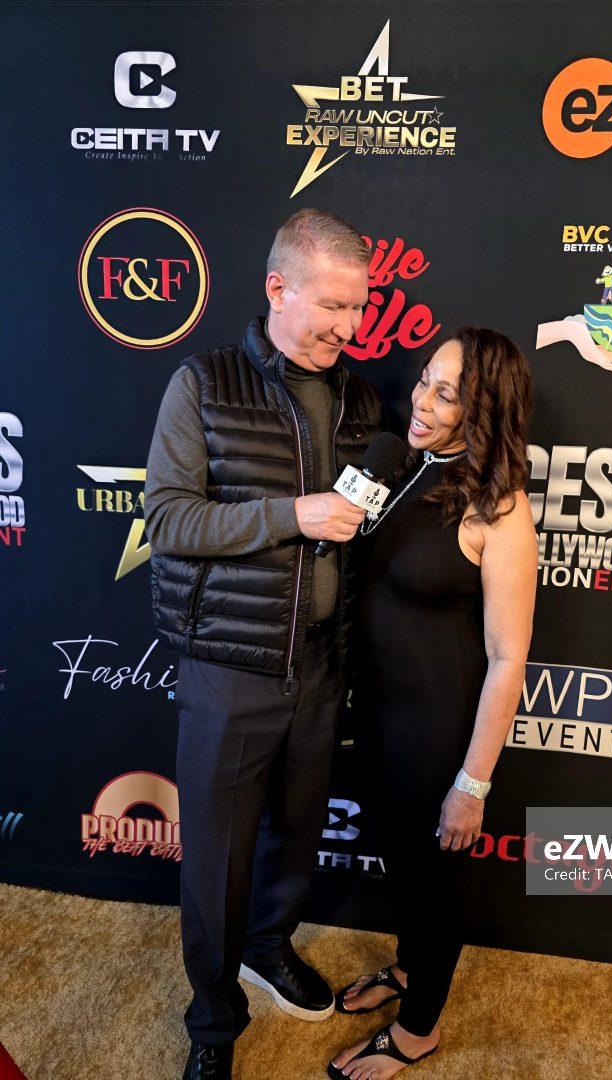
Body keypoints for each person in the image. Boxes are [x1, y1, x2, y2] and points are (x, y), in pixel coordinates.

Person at [143, 208, 384, 1080]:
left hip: (319, 665)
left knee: (298, 831)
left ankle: (268, 945)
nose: (348, 327)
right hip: (228, 669)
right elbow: (169, 519)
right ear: (278, 288)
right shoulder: (204, 382)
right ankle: (213, 1027)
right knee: (216, 860)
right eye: (332, 306)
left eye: (358, 308)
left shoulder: (360, 397)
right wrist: (291, 515)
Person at [327, 327, 537, 1078]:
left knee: (435, 882)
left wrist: (471, 784)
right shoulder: (408, 467)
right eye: (424, 380)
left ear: (481, 413)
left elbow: (509, 658)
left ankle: (418, 1032)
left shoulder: (499, 509)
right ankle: (411, 968)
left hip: (437, 734)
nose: (420, 400)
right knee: (405, 868)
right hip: (379, 721)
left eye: (446, 395)